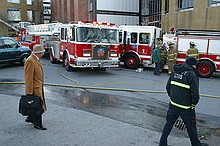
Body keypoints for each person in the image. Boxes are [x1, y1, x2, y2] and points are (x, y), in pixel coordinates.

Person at [159, 57, 208, 146]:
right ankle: (196, 144)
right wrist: (193, 105)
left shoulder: (175, 71)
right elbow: (195, 94)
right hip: (186, 107)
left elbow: (168, 87)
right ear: (193, 65)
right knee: (191, 126)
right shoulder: (191, 74)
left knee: (168, 124)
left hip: (173, 105)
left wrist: (173, 97)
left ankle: (162, 143)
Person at [24, 44, 47, 130]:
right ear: (39, 53)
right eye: (42, 52)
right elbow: (28, 78)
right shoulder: (30, 61)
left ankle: (30, 118)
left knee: (34, 104)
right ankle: (37, 124)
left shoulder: (35, 59)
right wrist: (29, 91)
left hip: (37, 86)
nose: (43, 54)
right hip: (35, 88)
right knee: (37, 106)